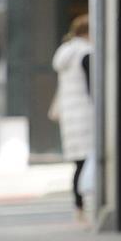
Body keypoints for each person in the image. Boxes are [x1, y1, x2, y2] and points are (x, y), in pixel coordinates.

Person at [51, 15, 93, 218]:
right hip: (85, 113)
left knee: (79, 162)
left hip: (70, 114)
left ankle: (78, 206)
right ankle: (83, 203)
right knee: (87, 160)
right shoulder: (86, 53)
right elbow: (92, 87)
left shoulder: (65, 52)